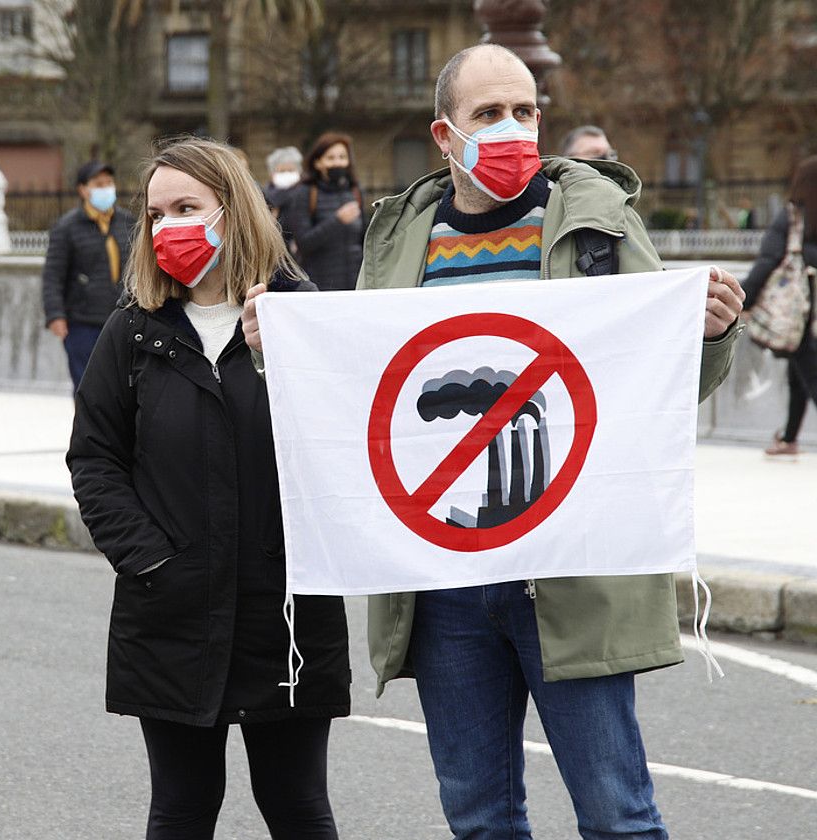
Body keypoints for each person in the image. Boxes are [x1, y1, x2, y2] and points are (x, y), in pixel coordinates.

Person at [244, 44, 744, 839]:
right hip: (444, 585)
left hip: (571, 572)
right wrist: (286, 357)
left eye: (525, 111)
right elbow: (368, 395)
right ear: (445, 135)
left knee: (618, 817)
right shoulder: (401, 239)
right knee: (479, 819)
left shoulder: (598, 226)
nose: (513, 129)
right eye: (489, 115)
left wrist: (711, 336)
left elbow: (666, 386)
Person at [68, 137, 351, 839]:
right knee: (181, 809)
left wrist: (274, 358)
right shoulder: (132, 331)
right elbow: (95, 459)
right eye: (157, 213)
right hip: (170, 611)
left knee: (297, 806)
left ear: (233, 211)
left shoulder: (301, 317)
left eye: (187, 207)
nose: (170, 227)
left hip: (284, 612)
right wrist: (152, 562)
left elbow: (343, 447)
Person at [741, 155, 817, 457]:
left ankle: (788, 438)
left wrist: (743, 299)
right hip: (809, 312)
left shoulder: (793, 217)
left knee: (810, 374)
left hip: (796, 313)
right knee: (798, 373)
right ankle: (788, 437)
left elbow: (768, 262)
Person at [41, 160, 136, 390]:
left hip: (124, 318)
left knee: (124, 386)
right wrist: (56, 315)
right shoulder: (67, 227)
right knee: (88, 386)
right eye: (98, 184)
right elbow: (53, 274)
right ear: (83, 189)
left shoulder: (127, 222)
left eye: (109, 183)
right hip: (83, 322)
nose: (106, 188)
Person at [279, 132, 366, 291]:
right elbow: (304, 242)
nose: (337, 163)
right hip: (321, 284)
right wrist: (337, 220)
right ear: (318, 162)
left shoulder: (354, 191)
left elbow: (364, 239)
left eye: (342, 157)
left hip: (355, 283)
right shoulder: (305, 193)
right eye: (331, 158)